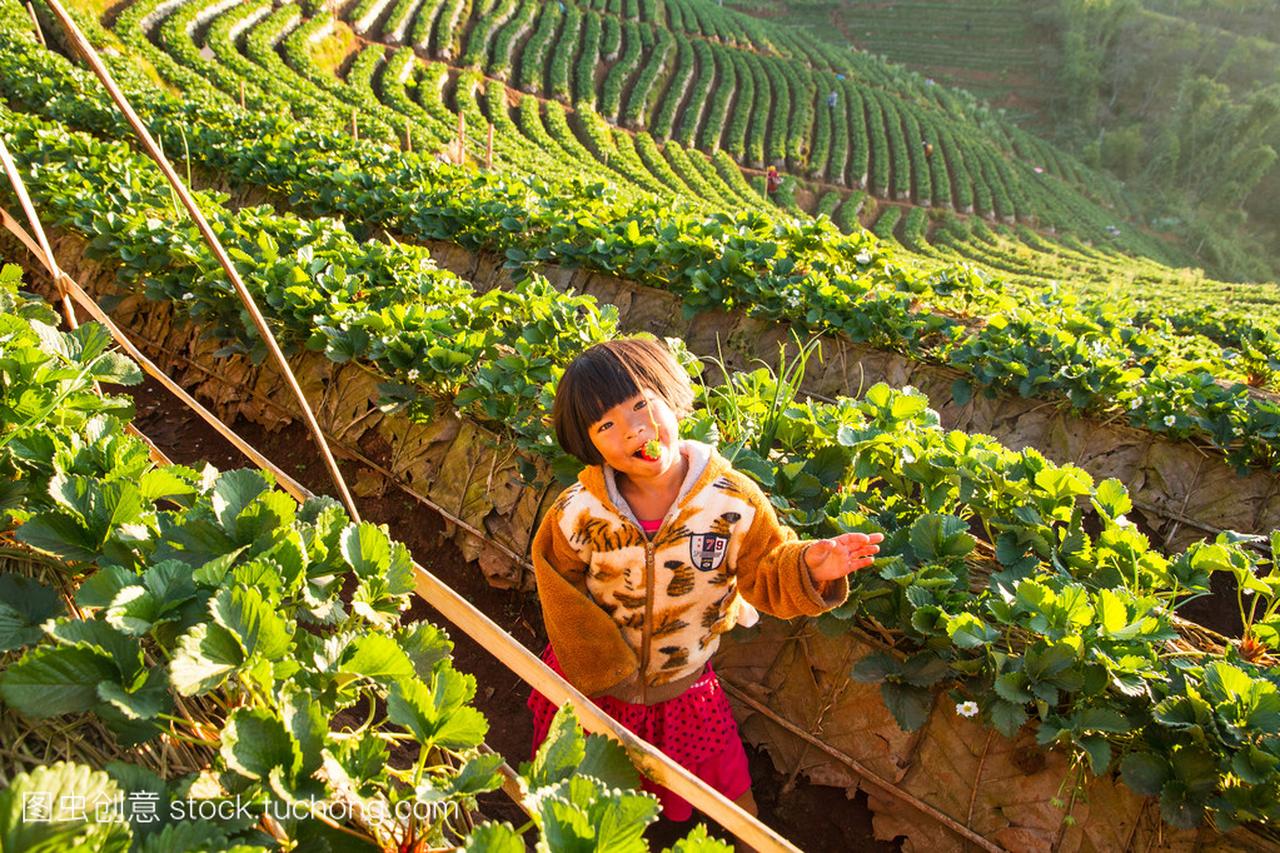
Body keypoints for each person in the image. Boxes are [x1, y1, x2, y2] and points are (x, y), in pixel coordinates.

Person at [527, 338, 883, 820]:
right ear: (589, 443)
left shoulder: (731, 501)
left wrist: (811, 567)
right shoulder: (578, 511)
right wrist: (597, 660)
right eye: (606, 425)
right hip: (595, 679)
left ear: (671, 397)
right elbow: (557, 582)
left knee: (722, 781)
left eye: (642, 406)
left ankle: (747, 835)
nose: (634, 431)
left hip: (681, 680)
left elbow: (765, 567)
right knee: (582, 782)